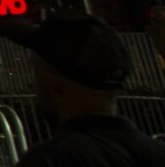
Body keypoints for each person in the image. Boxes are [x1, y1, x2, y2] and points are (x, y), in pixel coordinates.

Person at [10, 16, 163, 167]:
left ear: (51, 78)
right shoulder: (156, 152)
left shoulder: (49, 160)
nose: (32, 85)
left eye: (35, 71)